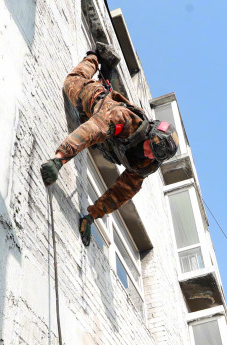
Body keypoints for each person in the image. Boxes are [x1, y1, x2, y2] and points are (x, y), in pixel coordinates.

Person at [40, 43, 179, 245]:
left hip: (105, 137)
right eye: (152, 149)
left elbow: (121, 193)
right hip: (93, 101)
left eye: (155, 156)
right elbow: (91, 131)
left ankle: (106, 70)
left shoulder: (146, 165)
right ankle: (95, 56)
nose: (150, 155)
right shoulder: (124, 119)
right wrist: (58, 160)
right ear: (149, 135)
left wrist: (92, 216)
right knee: (71, 82)